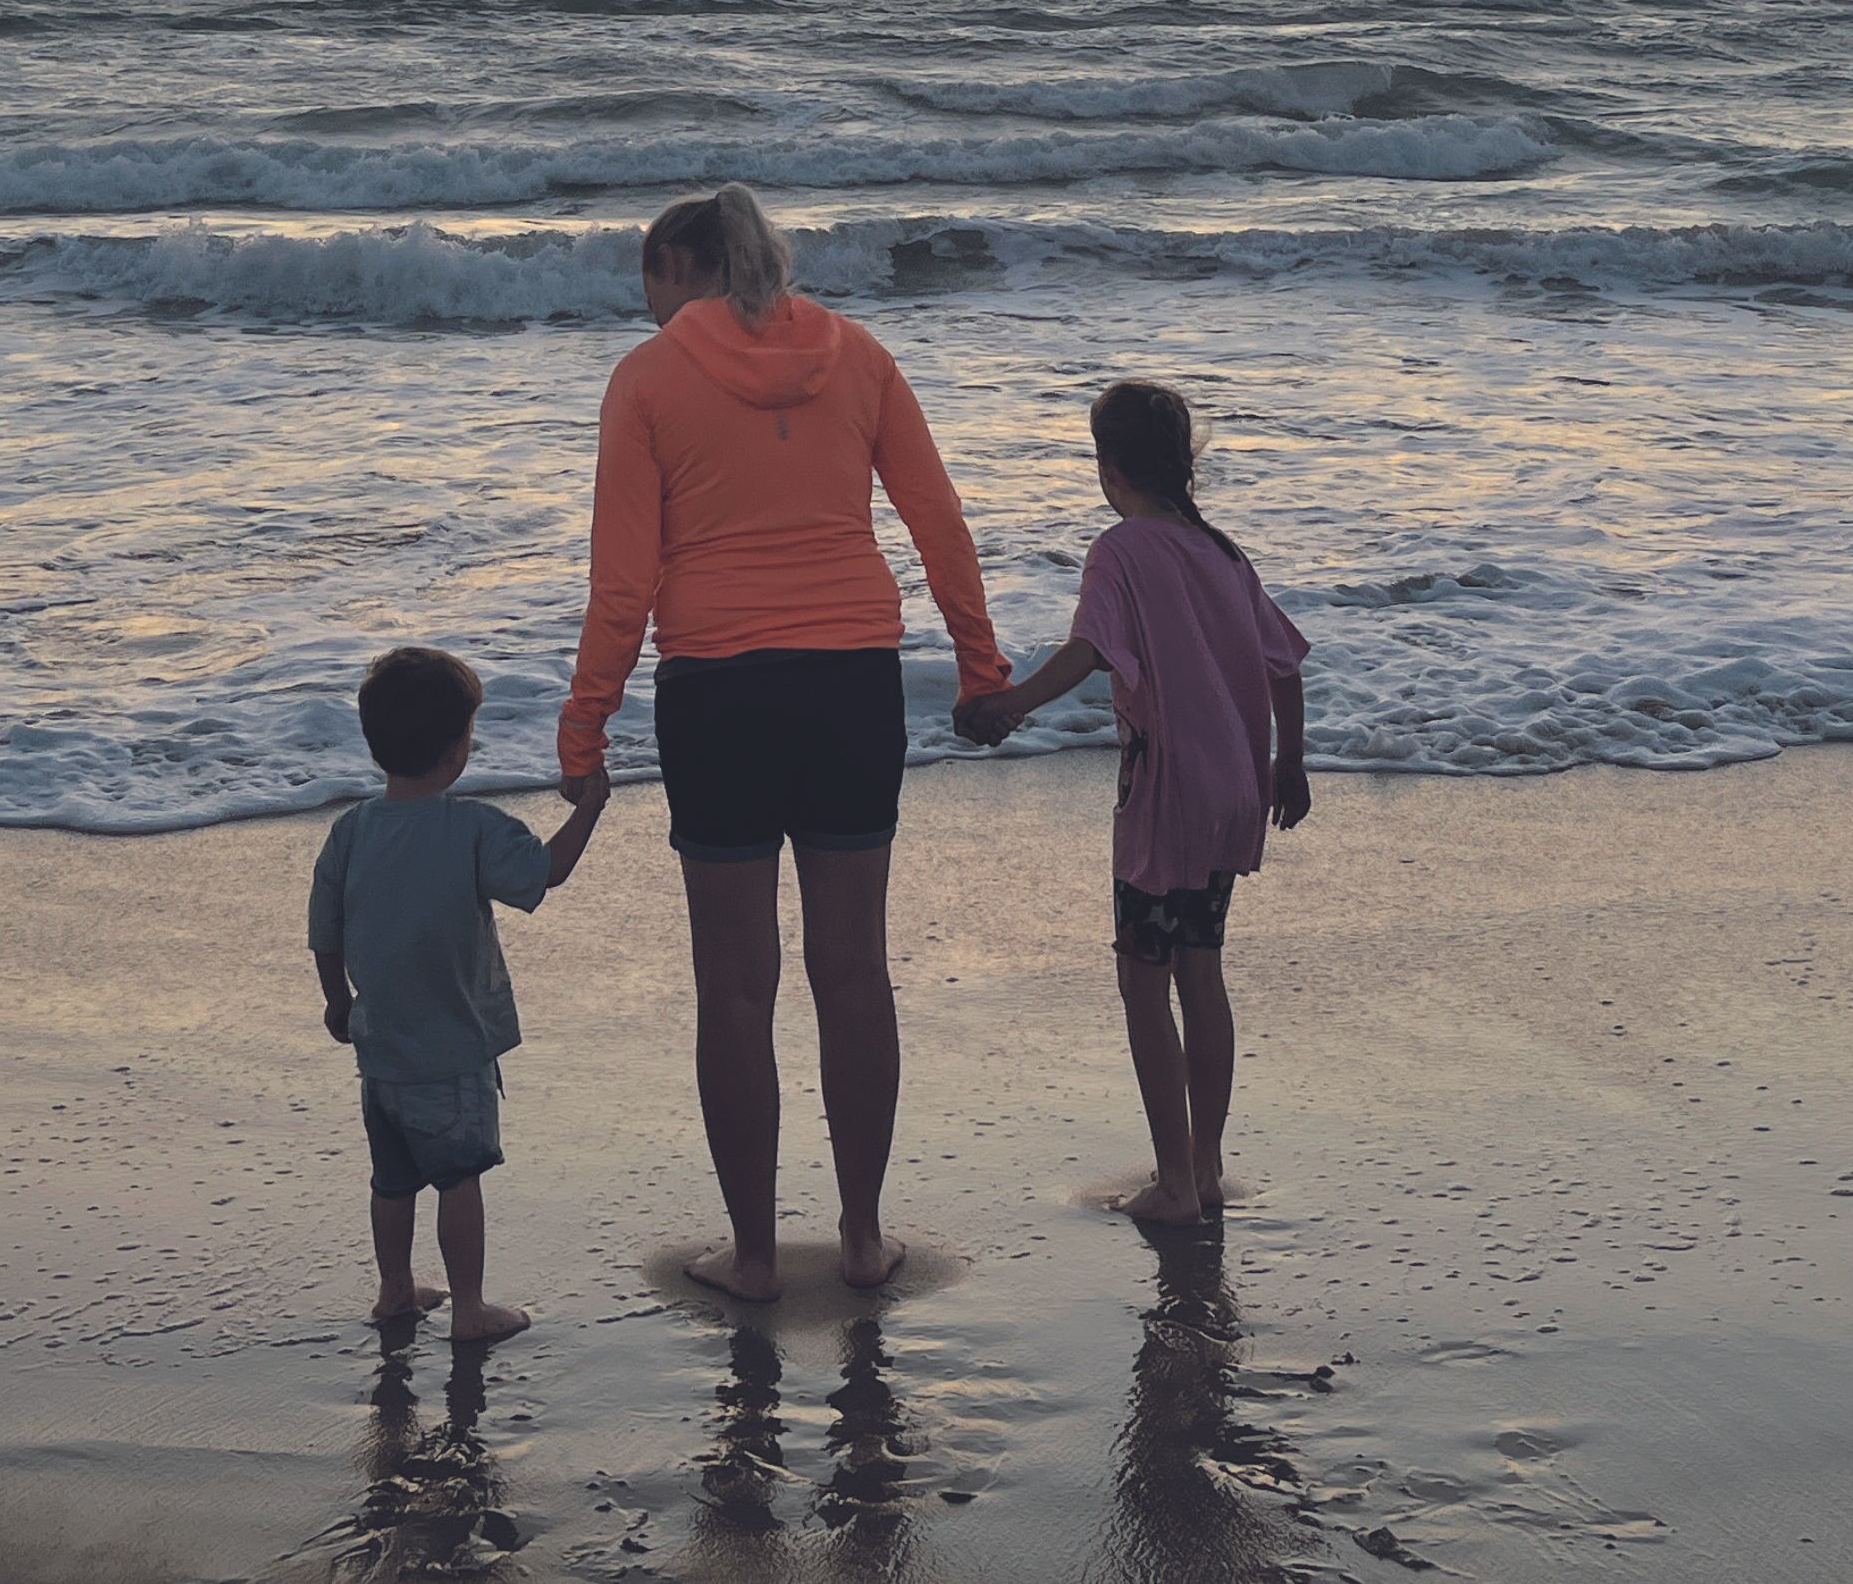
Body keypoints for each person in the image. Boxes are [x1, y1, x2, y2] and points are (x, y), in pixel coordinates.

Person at [560, 185, 1008, 1300]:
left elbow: (625, 581)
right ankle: (860, 1239)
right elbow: (937, 519)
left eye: (648, 286)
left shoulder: (648, 379)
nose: (648, 310)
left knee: (735, 985)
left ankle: (755, 1256)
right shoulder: (858, 356)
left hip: (717, 689)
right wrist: (980, 663)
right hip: (852, 680)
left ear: (677, 266)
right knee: (854, 971)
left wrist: (586, 724)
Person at [955, 380, 1311, 1225]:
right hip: (1233, 786)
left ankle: (1175, 1185)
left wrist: (1007, 706)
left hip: (1164, 795)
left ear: (1108, 468)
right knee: (1203, 970)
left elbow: (1089, 652)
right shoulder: (1221, 550)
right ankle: (1209, 1167)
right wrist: (1286, 766)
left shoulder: (1122, 551)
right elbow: (1285, 664)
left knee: (1144, 982)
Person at [310, 645, 600, 1344]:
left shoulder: (352, 830)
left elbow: (326, 929)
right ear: (456, 750)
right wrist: (590, 807)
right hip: (453, 1045)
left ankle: (395, 1290)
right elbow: (545, 873)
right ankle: (469, 1307)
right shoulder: (471, 828)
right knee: (459, 1176)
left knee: (392, 1180)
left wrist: (336, 1002)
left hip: (379, 1048)